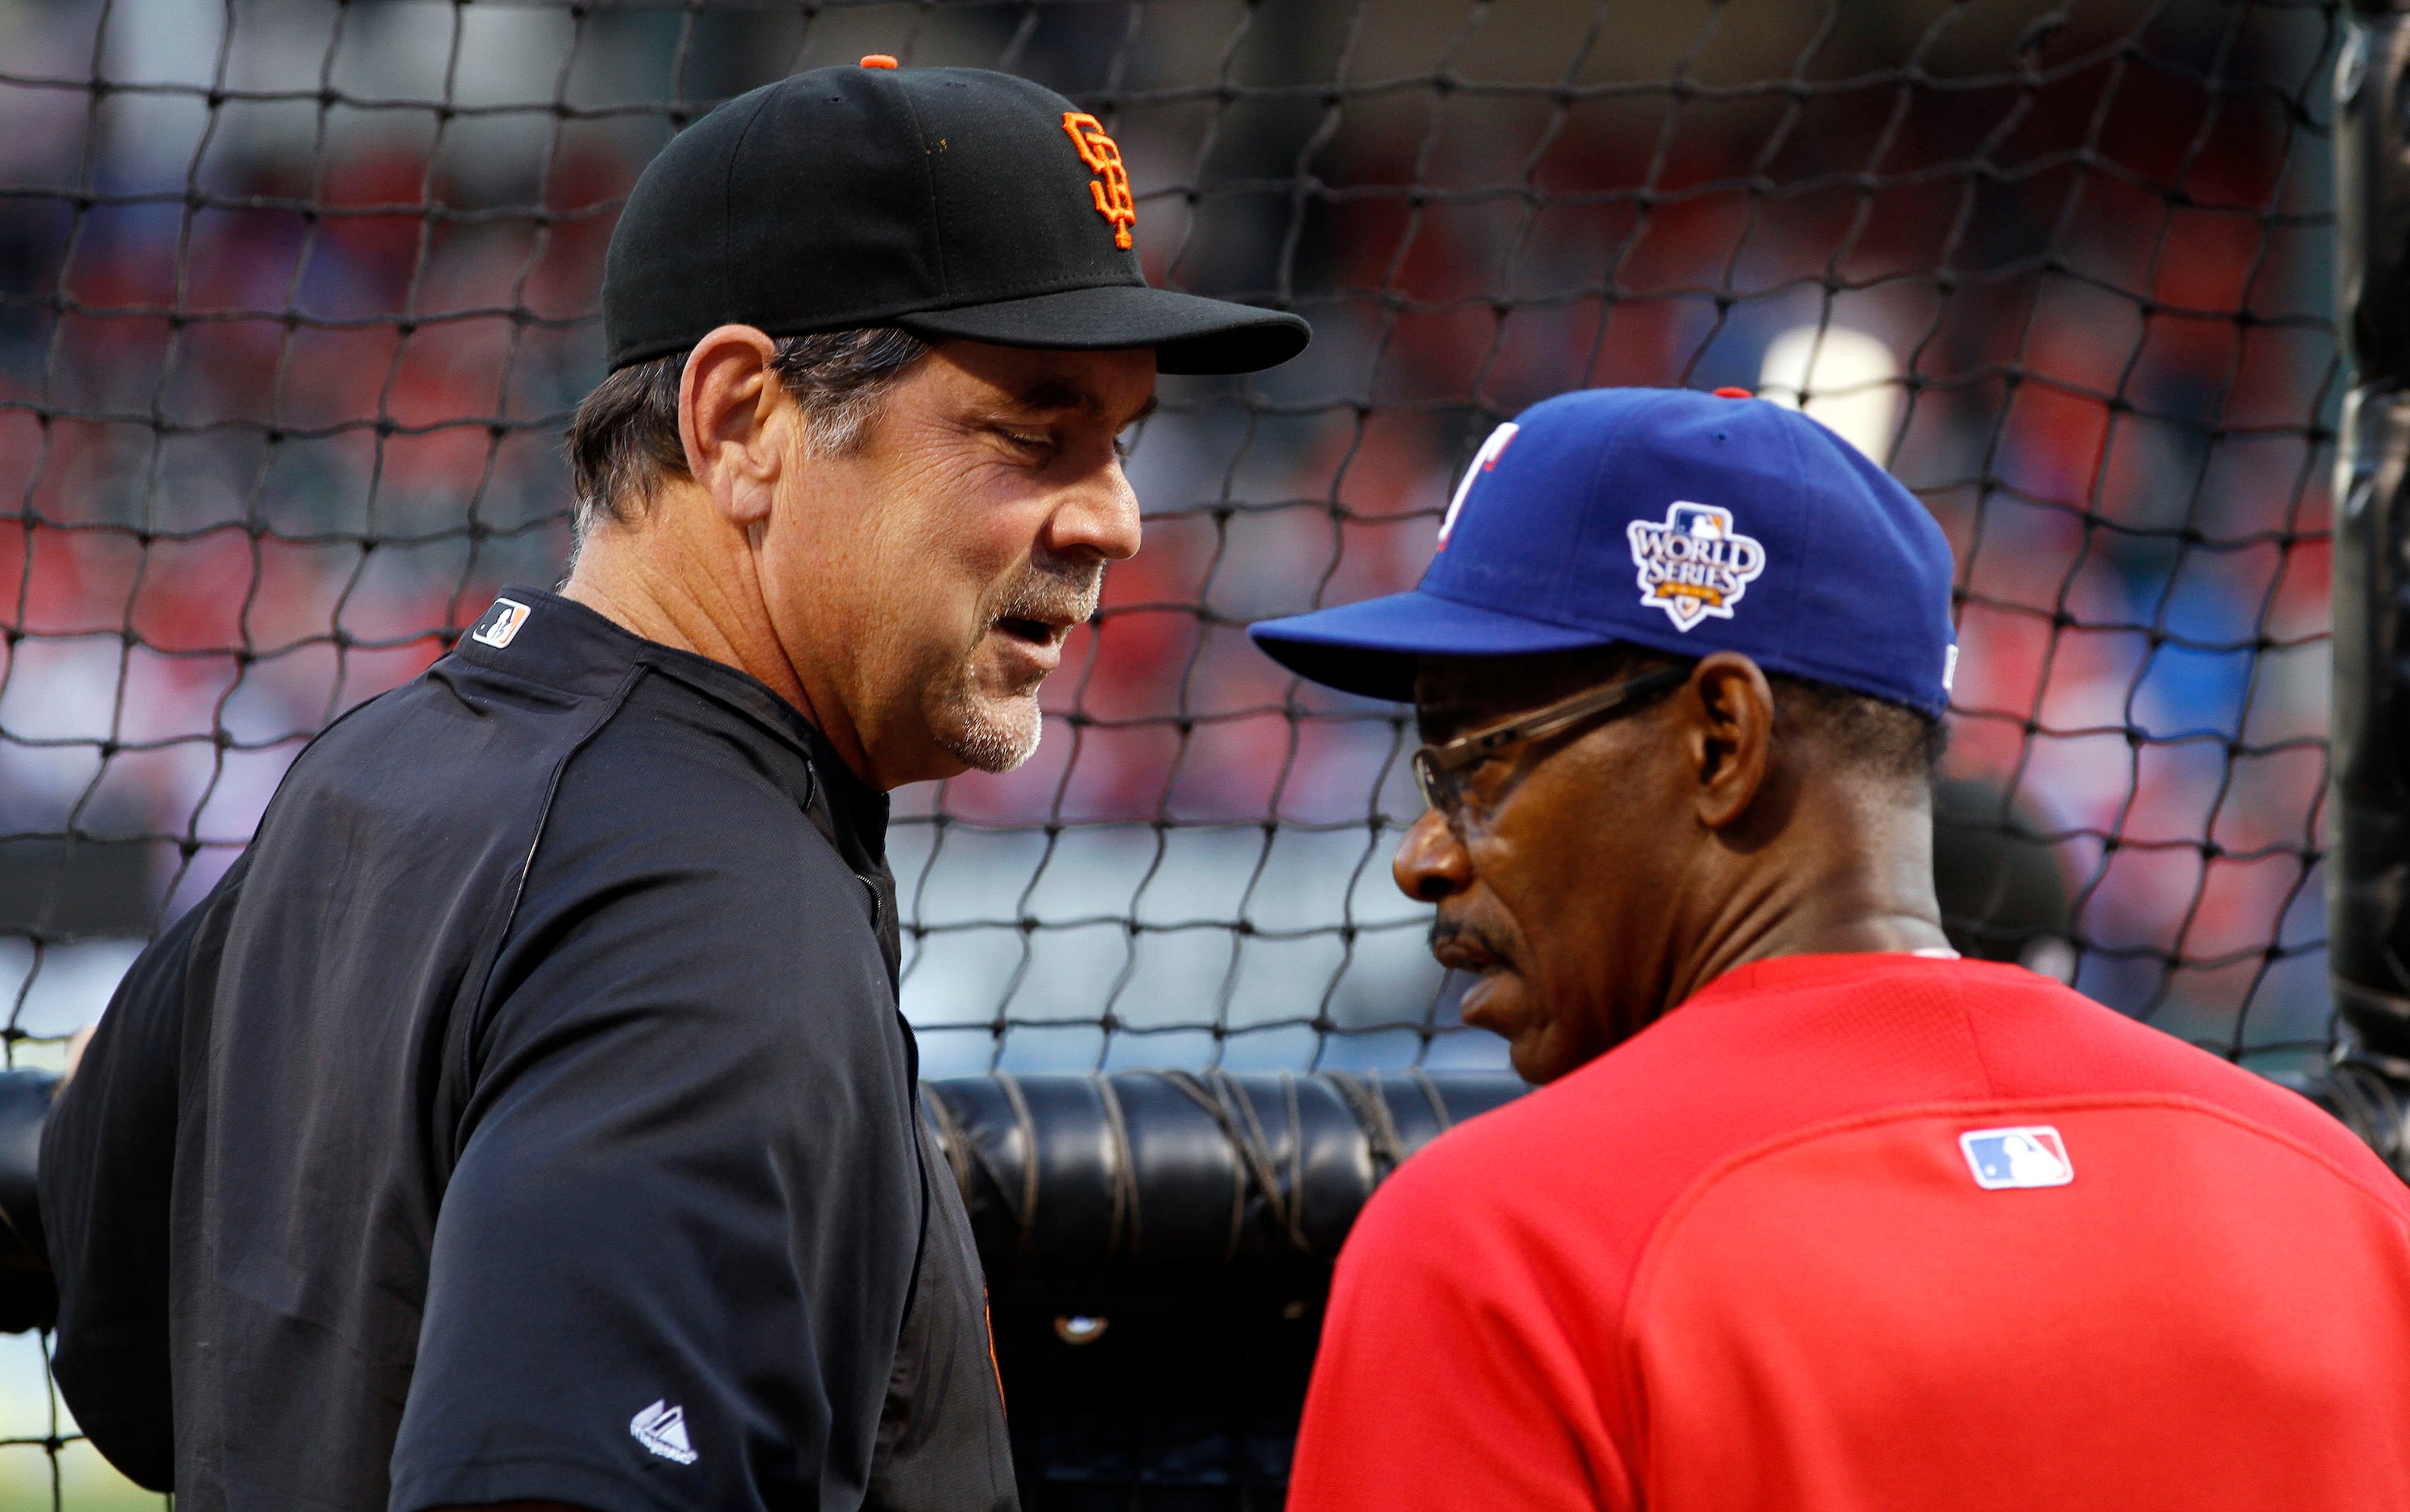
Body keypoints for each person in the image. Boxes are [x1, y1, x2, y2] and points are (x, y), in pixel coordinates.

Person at [38, 61, 1305, 1512]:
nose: (1117, 519)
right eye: (1036, 431)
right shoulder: (708, 922)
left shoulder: (365, 776)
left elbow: (136, 1372)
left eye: (1121, 440)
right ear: (743, 419)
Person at [1248, 387, 2410, 1510]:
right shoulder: (2343, 1206)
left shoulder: (1500, 1250)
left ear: (1720, 740)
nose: (1424, 854)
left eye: (1473, 761)